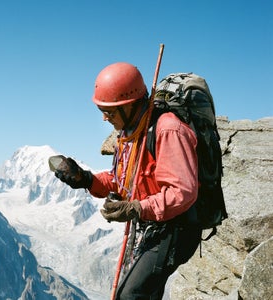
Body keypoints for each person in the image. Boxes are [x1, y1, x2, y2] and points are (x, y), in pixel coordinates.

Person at [53, 62, 202, 299]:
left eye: (109, 111)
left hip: (176, 227)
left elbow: (183, 192)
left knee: (131, 295)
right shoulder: (130, 132)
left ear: (130, 104)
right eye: (102, 110)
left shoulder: (168, 130)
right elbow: (122, 180)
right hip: (152, 224)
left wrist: (136, 208)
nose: (104, 118)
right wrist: (86, 180)